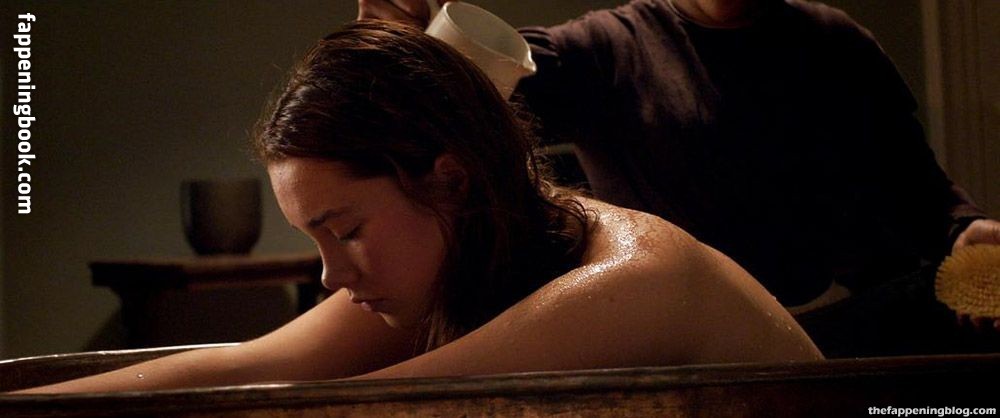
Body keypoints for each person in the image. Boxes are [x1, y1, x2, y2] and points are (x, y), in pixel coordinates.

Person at [15, 21, 819, 394]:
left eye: (346, 230)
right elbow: (237, 367)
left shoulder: (633, 282)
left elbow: (349, 413)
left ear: (450, 180)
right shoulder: (460, 253)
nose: (331, 275)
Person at [357, 0, 1000, 357]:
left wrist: (965, 229)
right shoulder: (608, 46)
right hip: (689, 344)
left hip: (852, 333)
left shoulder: (837, 41)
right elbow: (464, 104)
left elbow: (921, 191)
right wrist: (406, 51)